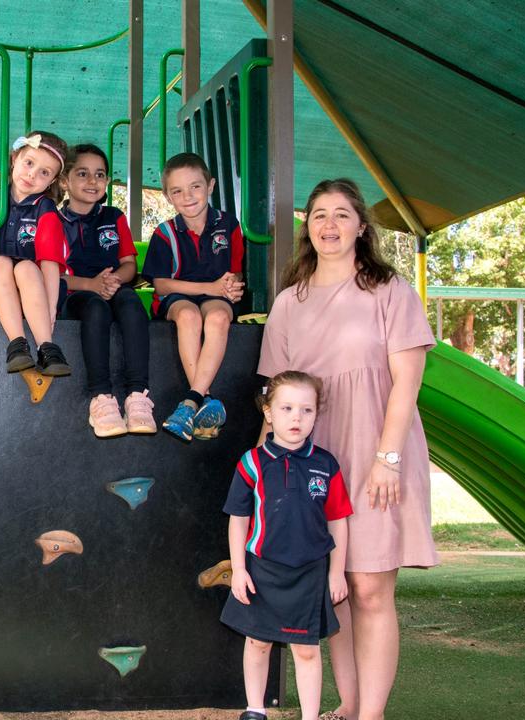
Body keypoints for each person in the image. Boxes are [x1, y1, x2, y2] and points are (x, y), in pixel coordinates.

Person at [258, 179, 436, 720]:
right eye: (318, 216)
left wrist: (388, 458)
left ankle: (372, 713)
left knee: (370, 586)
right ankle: (349, 703)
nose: (329, 225)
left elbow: (408, 379)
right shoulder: (290, 302)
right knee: (330, 585)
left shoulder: (390, 291)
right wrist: (265, 470)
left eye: (341, 214)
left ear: (362, 225)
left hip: (378, 449)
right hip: (314, 457)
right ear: (307, 228)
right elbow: (271, 394)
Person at [221, 371, 351, 720]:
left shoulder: (326, 464)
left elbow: (338, 519)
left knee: (306, 651)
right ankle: (254, 709)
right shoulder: (251, 463)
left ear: (316, 415)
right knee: (258, 642)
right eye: (288, 408)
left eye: (307, 410)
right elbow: (238, 519)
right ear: (269, 412)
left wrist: (337, 572)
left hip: (309, 572)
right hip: (261, 570)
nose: (297, 417)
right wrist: (238, 569)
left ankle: (310, 716)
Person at [143, 152, 244, 441]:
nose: (187, 196)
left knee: (219, 317)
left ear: (210, 186)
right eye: (177, 191)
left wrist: (231, 285)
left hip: (214, 298)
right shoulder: (164, 233)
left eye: (195, 186)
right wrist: (211, 288)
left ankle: (191, 403)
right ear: (167, 196)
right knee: (188, 316)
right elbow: (161, 286)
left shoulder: (230, 225)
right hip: (177, 298)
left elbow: (234, 272)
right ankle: (204, 397)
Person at [58, 144, 155, 436]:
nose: (92, 181)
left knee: (131, 303)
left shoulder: (114, 216)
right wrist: (91, 285)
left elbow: (129, 265)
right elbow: (50, 274)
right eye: (83, 174)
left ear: (108, 181)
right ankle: (101, 399)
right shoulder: (52, 220)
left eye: (100, 175)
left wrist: (114, 281)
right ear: (65, 180)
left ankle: (138, 396)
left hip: (113, 287)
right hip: (75, 295)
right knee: (95, 307)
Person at [0, 131, 72, 377]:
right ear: (14, 159)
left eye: (44, 172)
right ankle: (17, 345)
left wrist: (50, 308)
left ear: (52, 181)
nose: (32, 174)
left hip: (35, 291)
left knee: (26, 267)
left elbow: (50, 261)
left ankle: (47, 346)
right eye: (29, 163)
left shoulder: (45, 207)